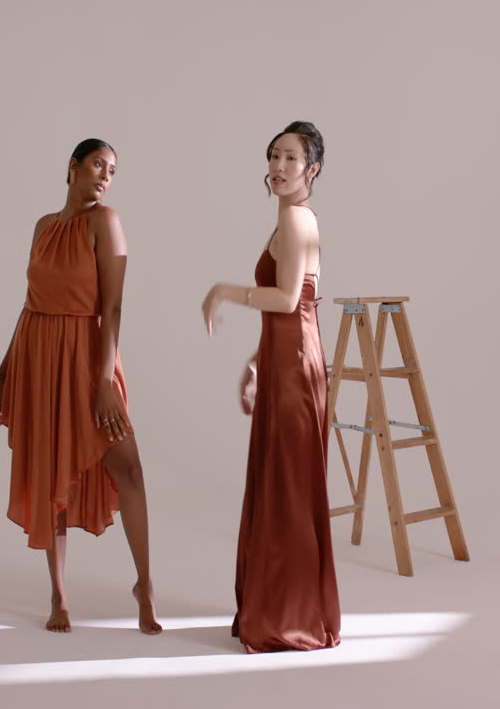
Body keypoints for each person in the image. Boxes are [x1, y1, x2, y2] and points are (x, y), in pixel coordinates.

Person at [0, 138, 160, 635]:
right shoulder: (44, 227)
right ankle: (59, 595)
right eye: (98, 164)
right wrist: (3, 374)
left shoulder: (105, 222)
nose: (106, 175)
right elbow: (29, 303)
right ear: (73, 166)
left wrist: (105, 381)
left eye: (113, 169)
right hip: (40, 356)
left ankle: (145, 586)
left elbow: (114, 306)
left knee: (128, 467)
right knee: (52, 471)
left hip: (90, 357)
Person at [201, 121, 341, 652]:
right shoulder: (289, 220)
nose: (278, 167)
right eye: (274, 156)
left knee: (289, 489)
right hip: (286, 363)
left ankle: (292, 619)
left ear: (313, 169)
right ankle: (282, 609)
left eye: (291, 159)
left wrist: (222, 291)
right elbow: (300, 304)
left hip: (298, 371)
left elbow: (286, 301)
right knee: (280, 486)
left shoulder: (297, 220)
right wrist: (259, 361)